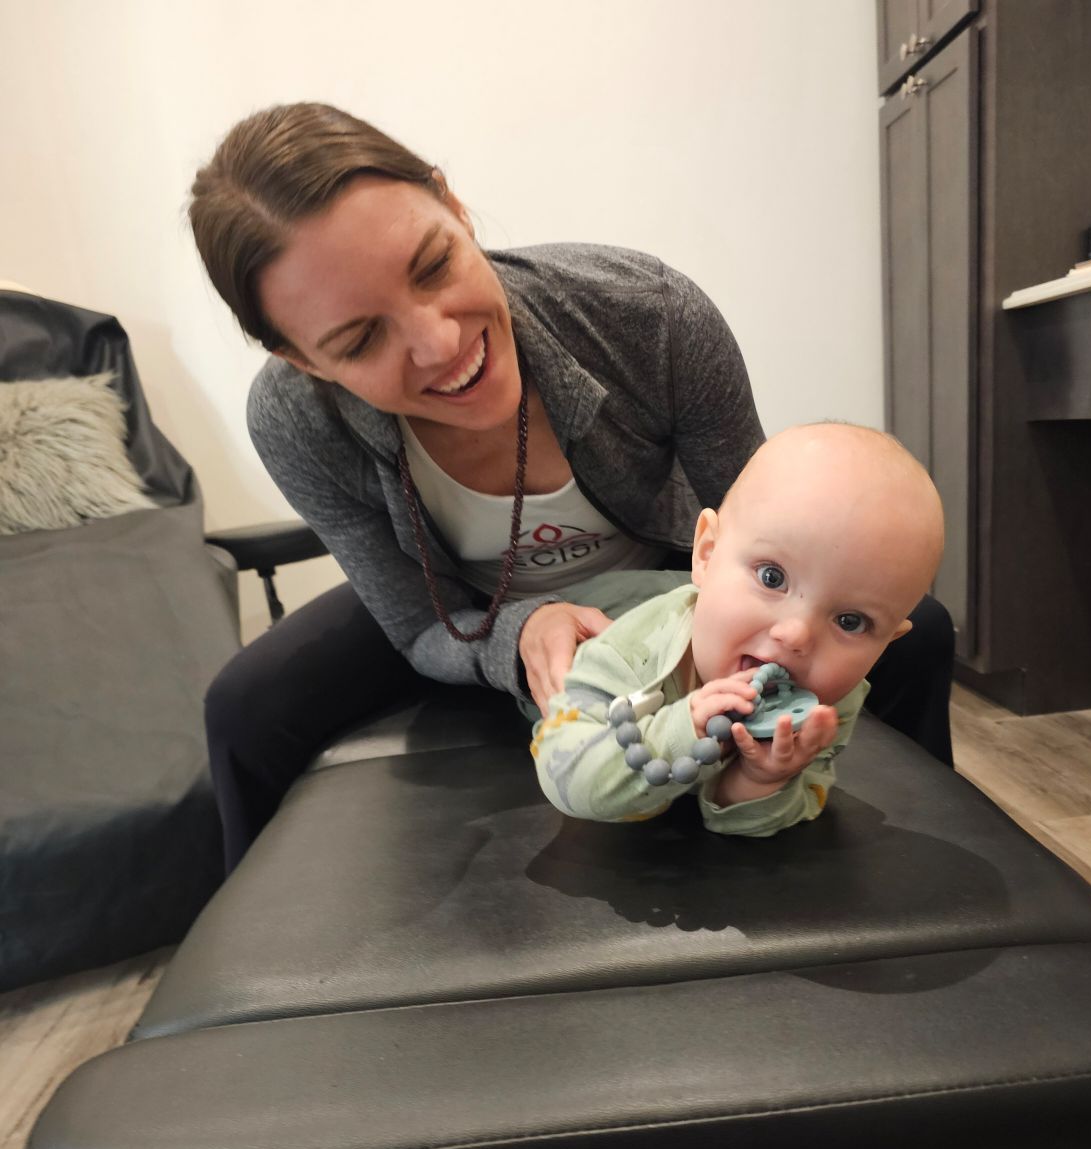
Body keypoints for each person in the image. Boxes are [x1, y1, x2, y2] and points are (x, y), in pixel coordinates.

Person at [189, 102, 956, 871]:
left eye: (434, 266)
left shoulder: (648, 316)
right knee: (247, 708)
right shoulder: (298, 421)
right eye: (360, 340)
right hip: (470, 613)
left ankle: (910, 889)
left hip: (665, 592)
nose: (440, 342)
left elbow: (762, 537)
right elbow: (423, 627)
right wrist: (517, 631)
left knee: (914, 625)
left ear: (455, 208)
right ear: (306, 362)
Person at [531, 423, 944, 836]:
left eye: (850, 622)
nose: (796, 634)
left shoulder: (827, 704)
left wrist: (761, 781)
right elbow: (567, 780)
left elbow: (781, 809)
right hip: (594, 621)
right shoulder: (626, 652)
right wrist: (682, 728)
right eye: (771, 577)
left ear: (884, 645)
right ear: (708, 553)